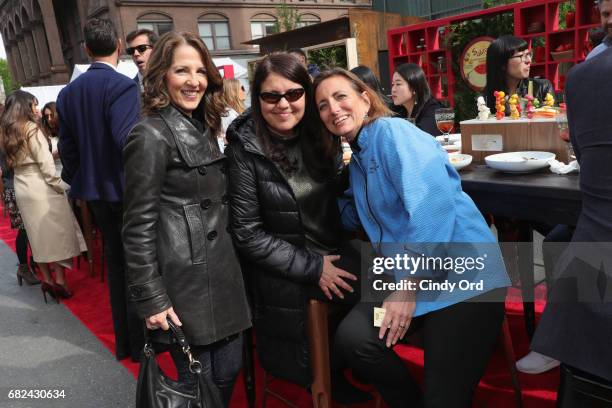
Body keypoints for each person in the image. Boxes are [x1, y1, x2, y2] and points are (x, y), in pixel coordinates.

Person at [313, 68, 511, 408]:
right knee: (356, 337)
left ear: (364, 98)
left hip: (463, 282)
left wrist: (406, 287)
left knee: (445, 399)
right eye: (322, 105)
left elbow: (430, 208)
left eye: (340, 96)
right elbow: (361, 217)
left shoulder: (392, 133)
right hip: (419, 284)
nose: (333, 109)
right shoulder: (359, 158)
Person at [225, 53, 368, 404]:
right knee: (372, 293)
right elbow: (246, 232)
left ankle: (358, 362)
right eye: (271, 96)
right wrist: (313, 267)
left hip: (336, 251)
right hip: (286, 270)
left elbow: (337, 198)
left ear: (306, 92)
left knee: (397, 279)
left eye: (293, 94)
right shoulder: (245, 149)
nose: (283, 104)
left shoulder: (321, 134)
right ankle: (328, 374)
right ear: (256, 100)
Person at [123, 31, 251, 406]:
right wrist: (152, 299)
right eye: (182, 70)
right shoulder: (149, 135)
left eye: (200, 71)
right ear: (162, 74)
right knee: (202, 388)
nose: (194, 80)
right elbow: (137, 226)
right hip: (186, 285)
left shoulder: (202, 125)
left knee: (224, 377)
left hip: (220, 274)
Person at [57, 18, 143, 362]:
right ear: (119, 45)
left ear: (87, 49)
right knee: (136, 266)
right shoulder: (123, 87)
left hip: (96, 193)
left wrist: (84, 179)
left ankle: (127, 343)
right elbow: (129, 143)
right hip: (125, 191)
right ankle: (139, 344)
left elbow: (68, 149)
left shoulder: (68, 93)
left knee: (118, 265)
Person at [530, 47, 612, 390]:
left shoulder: (583, 76)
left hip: (595, 250)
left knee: (563, 239)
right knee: (559, 239)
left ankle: (559, 336)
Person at [0, 91, 86, 301]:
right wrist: (61, 185)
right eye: (34, 106)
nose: (36, 110)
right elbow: (47, 166)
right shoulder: (31, 129)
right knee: (56, 235)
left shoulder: (6, 132)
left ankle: (47, 279)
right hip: (40, 185)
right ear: (24, 107)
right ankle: (59, 281)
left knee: (37, 236)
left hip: (22, 186)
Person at [1, 132, 40, 286]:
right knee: (24, 229)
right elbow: (5, 167)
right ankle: (23, 267)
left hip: (23, 186)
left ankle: (35, 260)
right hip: (13, 188)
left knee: (33, 228)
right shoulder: (5, 141)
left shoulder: (12, 135)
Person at [484, 35, 554, 114]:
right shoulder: (488, 96)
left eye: (528, 54)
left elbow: (552, 121)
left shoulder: (542, 87)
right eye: (522, 56)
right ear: (502, 64)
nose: (529, 60)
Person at [391, 63, 443, 136]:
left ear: (414, 87)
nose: (393, 89)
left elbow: (421, 137)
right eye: (393, 84)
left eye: (398, 84)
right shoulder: (397, 111)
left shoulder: (431, 108)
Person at [219, 78, 246, 151]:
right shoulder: (229, 115)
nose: (244, 91)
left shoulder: (230, 113)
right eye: (242, 88)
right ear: (233, 92)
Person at [40, 102, 62, 176]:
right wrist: (52, 156)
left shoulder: (67, 130)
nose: (49, 119)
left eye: (51, 115)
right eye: (46, 116)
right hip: (54, 175)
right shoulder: (44, 134)